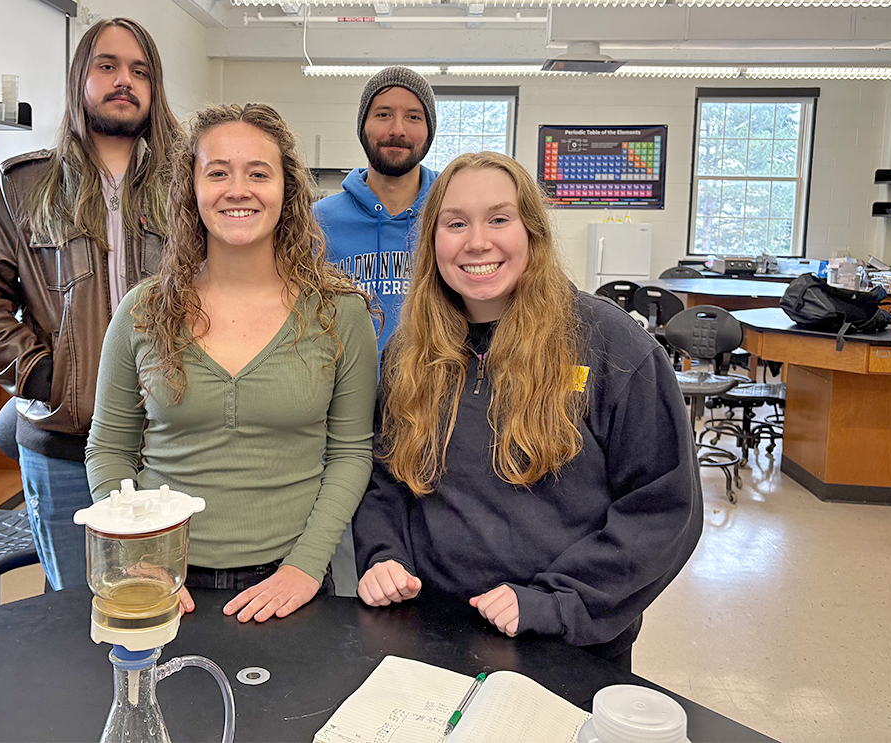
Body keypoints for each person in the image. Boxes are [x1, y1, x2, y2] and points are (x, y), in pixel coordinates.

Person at [352, 151, 702, 668]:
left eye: (499, 219)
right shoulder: (410, 349)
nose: (477, 241)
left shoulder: (613, 346)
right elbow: (385, 479)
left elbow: (664, 508)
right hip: (427, 629)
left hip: (567, 642)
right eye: (455, 224)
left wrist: (555, 600)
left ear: (531, 232)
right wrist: (383, 555)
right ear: (432, 243)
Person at [85, 103, 378, 624]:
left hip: (292, 580)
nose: (237, 189)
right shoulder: (144, 311)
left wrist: (307, 567)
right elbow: (108, 448)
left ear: (287, 191)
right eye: (217, 172)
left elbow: (351, 453)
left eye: (258, 173)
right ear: (190, 189)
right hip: (166, 580)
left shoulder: (339, 312)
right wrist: (141, 557)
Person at [0, 18, 180, 591]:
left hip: (171, 442)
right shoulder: (25, 188)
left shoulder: (188, 186)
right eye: (107, 66)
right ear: (80, 79)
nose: (124, 80)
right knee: (80, 614)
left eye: (139, 70)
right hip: (65, 449)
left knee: (168, 606)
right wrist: (39, 372)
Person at [315, 66, 440, 352]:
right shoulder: (317, 222)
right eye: (383, 115)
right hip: (344, 392)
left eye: (413, 117)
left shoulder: (453, 215)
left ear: (428, 130)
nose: (397, 130)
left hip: (435, 392)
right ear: (363, 126)